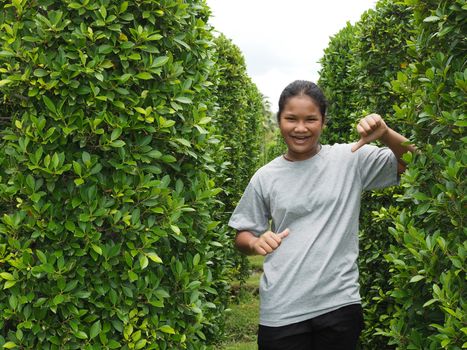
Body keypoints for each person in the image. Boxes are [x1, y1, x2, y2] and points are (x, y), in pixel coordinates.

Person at [228, 80, 415, 350]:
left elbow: (415, 163)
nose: (300, 128)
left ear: (323, 122)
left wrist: (385, 133)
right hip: (281, 309)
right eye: (291, 119)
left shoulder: (350, 159)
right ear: (279, 120)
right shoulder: (265, 177)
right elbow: (242, 235)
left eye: (310, 119)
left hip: (338, 304)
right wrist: (255, 243)